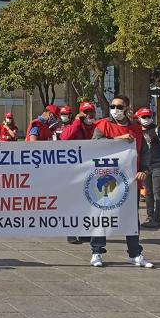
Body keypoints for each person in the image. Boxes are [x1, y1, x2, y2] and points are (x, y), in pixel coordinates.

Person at [89, 94, 153, 268]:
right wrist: (118, 139)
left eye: (119, 106)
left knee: (131, 219)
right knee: (102, 215)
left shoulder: (136, 129)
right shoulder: (103, 125)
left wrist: (144, 171)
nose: (115, 110)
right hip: (105, 179)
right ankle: (97, 251)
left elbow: (144, 153)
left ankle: (135, 254)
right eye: (113, 106)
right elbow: (94, 145)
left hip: (130, 181)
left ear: (127, 108)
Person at [61, 101, 97, 244]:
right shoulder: (74, 126)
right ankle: (71, 232)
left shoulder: (96, 127)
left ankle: (84, 231)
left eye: (91, 112)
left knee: (87, 202)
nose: (89, 115)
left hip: (89, 170)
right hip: (74, 171)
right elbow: (64, 138)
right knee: (73, 202)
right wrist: (77, 122)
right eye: (85, 112)